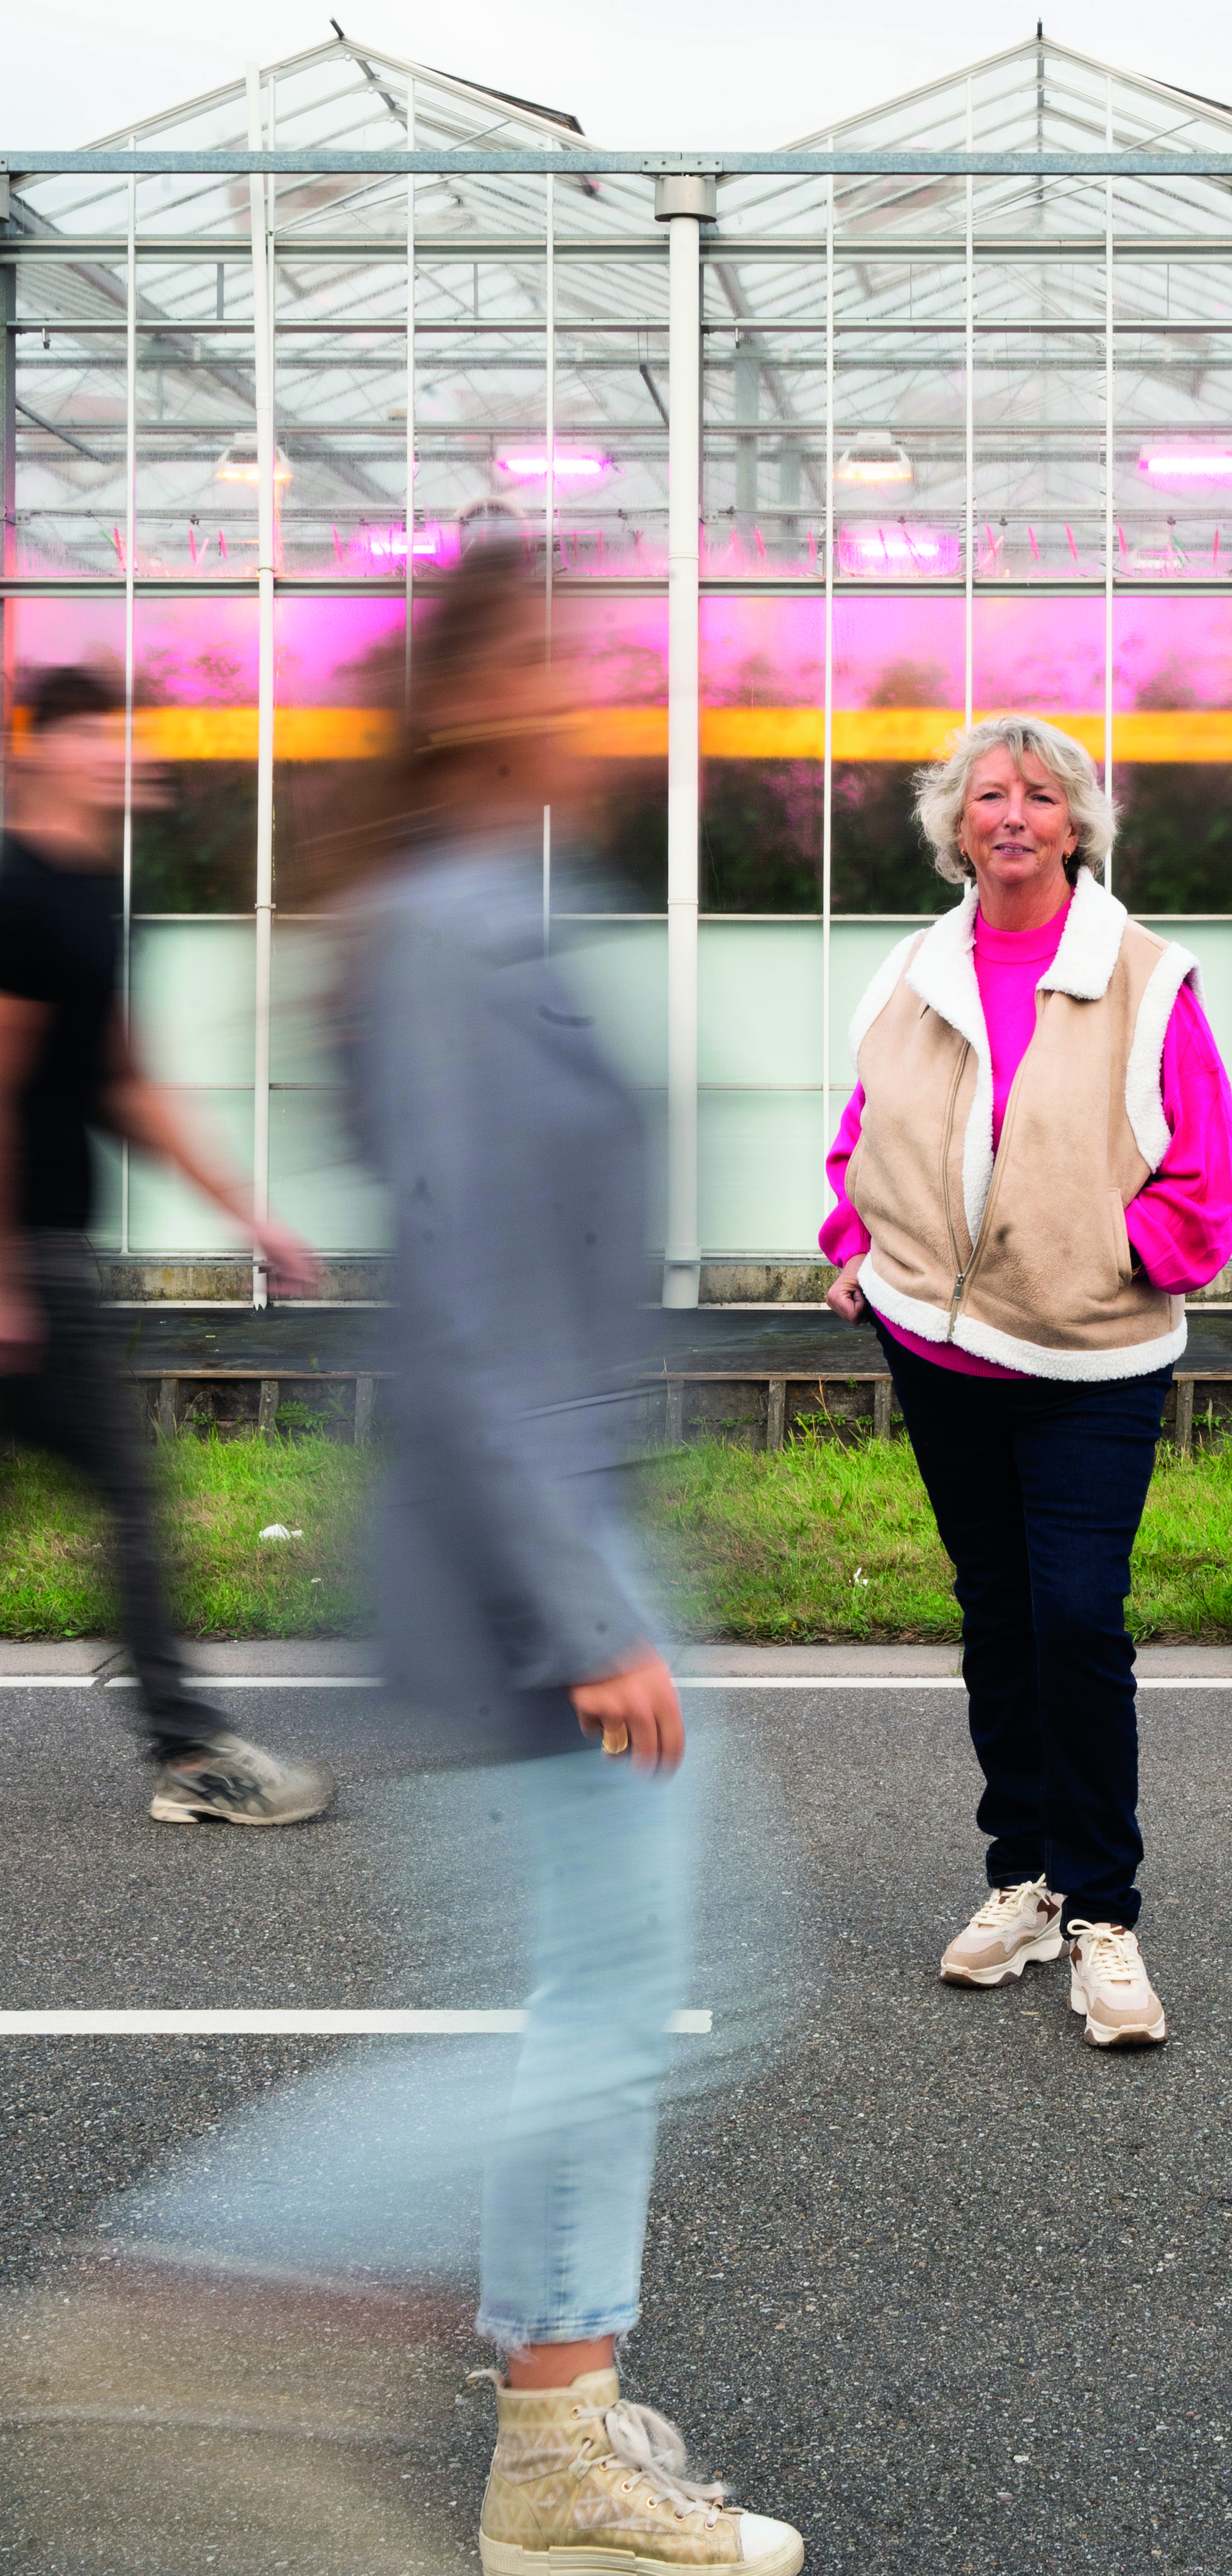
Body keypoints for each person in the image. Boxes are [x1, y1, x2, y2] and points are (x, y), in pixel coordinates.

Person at [342, 547, 802, 2574]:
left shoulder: (494, 917)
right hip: (538, 1539)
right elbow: (464, 1296)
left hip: (568, 1516)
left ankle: (559, 2409)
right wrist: (586, 1598)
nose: (601, 692)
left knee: (609, 1992)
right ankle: (196, 2287)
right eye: (563, 657)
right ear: (468, 698)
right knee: (633, 1999)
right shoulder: (446, 932)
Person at [822, 713, 1232, 2049]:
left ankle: (1107, 1915)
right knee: (998, 1616)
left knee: (1077, 1620)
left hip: (1089, 1357)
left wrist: (1120, 1260)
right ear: (956, 826)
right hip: (939, 1347)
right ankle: (1025, 1880)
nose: (1013, 815)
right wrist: (855, 1245)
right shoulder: (911, 968)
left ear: (1077, 826)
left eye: (1041, 796)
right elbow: (866, 1131)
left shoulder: (1144, 975)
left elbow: (1205, 1172)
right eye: (987, 795)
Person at [0, 665, 333, 1826]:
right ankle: (192, 1755)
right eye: (93, 733)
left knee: (120, 1495)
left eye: (126, 734)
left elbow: (121, 1084)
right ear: (37, 747)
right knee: (132, 1496)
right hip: (23, 1253)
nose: (119, 753)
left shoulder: (98, 897)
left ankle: (187, 1743)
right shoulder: (15, 887)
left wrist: (249, 1214)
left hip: (46, 1250)